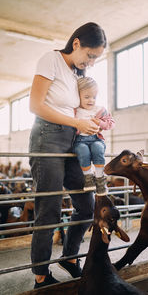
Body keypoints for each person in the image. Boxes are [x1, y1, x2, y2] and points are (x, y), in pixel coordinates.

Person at [29, 22, 107, 289]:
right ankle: (41, 274)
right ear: (76, 44)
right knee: (48, 209)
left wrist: (94, 123)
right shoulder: (51, 59)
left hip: (74, 141)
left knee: (86, 205)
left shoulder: (78, 74)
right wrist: (77, 124)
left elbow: (82, 108)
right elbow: (36, 105)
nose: (92, 62)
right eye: (91, 55)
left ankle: (70, 258)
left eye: (97, 58)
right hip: (46, 137)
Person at [74, 77, 115, 195]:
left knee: (98, 148)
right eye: (87, 97)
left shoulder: (100, 110)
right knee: (83, 151)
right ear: (78, 96)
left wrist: (100, 123)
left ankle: (100, 179)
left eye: (94, 97)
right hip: (80, 140)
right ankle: (88, 179)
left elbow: (111, 123)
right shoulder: (74, 111)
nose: (91, 100)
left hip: (96, 138)